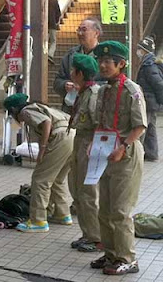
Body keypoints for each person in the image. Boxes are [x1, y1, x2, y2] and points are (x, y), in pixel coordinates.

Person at [90, 41, 147, 275]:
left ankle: (128, 259)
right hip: (105, 155)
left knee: (121, 211)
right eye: (100, 61)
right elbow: (101, 124)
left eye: (107, 61)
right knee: (104, 210)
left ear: (121, 64)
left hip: (126, 155)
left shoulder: (132, 90)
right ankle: (111, 254)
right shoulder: (103, 90)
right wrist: (93, 147)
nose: (102, 65)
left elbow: (140, 126)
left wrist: (123, 146)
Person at [3, 93, 75, 232]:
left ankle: (38, 220)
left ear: (14, 110)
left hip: (60, 137)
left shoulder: (26, 111)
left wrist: (42, 150)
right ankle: (62, 214)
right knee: (57, 179)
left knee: (40, 179)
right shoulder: (40, 107)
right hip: (72, 136)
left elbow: (46, 123)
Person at [67, 53, 102, 252]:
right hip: (79, 139)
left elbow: (98, 122)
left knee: (88, 192)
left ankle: (96, 237)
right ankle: (87, 233)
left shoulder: (94, 93)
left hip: (89, 142)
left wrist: (94, 145)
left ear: (80, 73)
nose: (71, 73)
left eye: (74, 70)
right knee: (77, 189)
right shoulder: (83, 92)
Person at [53, 17, 103, 114]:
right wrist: (65, 85)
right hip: (71, 110)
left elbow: (110, 84)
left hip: (95, 110)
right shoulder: (71, 54)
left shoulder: (104, 57)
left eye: (84, 30)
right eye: (79, 30)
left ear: (96, 33)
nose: (80, 33)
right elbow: (57, 82)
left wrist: (87, 87)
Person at [136, 35, 163, 162]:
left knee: (143, 127)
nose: (137, 52)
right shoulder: (149, 63)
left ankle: (138, 152)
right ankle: (151, 153)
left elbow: (158, 84)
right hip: (151, 101)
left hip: (149, 101)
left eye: (139, 49)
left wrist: (161, 99)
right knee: (150, 128)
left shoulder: (149, 65)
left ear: (144, 51)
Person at [48, 0, 61, 64]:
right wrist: (56, 22)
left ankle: (43, 53)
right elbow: (58, 13)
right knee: (53, 41)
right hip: (52, 24)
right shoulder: (54, 1)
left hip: (43, 25)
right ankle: (50, 54)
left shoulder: (42, 1)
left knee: (44, 40)